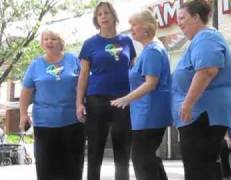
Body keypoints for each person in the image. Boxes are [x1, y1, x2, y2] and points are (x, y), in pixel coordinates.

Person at [172, 0, 231, 180]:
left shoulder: (206, 37)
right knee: (202, 165)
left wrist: (187, 103)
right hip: (202, 115)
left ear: (196, 17)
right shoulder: (202, 39)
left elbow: (207, 70)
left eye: (182, 17)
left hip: (204, 114)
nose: (179, 23)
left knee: (198, 166)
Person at [76, 1, 136, 180]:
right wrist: (79, 102)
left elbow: (133, 70)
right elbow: (83, 75)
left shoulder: (126, 41)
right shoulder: (90, 44)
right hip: (97, 100)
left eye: (106, 13)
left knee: (122, 150)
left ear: (114, 16)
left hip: (123, 100)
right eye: (100, 14)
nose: (103, 16)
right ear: (96, 19)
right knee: (95, 149)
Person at [111, 9, 172, 180]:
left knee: (141, 159)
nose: (131, 29)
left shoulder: (153, 50)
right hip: (145, 115)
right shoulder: (148, 49)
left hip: (150, 114)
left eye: (134, 25)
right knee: (147, 158)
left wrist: (125, 99)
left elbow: (151, 83)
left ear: (146, 27)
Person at [19, 30, 85, 180]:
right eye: (45, 39)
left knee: (73, 168)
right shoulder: (35, 65)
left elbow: (85, 83)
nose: (49, 42)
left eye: (53, 39)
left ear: (60, 42)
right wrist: (23, 114)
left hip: (73, 122)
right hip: (45, 124)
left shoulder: (73, 60)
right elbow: (26, 91)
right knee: (46, 169)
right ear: (42, 43)